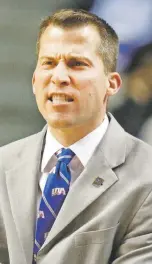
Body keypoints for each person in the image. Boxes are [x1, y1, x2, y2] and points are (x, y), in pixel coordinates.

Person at [0, 9, 152, 264]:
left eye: (77, 64)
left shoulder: (147, 177)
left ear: (112, 83)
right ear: (35, 79)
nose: (58, 77)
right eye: (48, 63)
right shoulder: (3, 164)